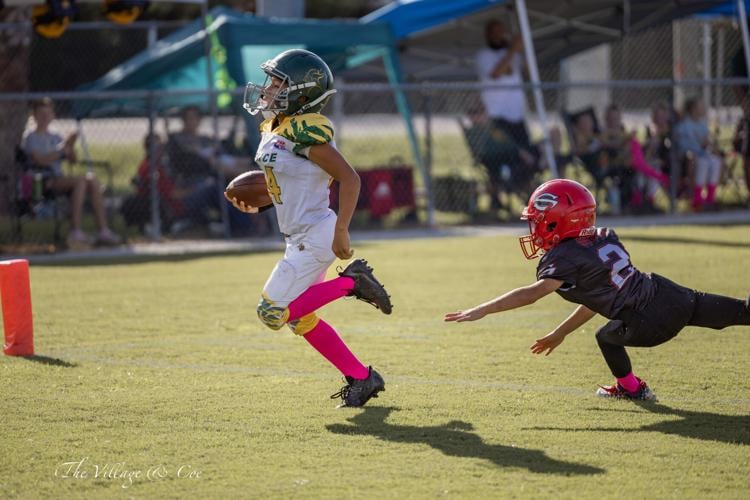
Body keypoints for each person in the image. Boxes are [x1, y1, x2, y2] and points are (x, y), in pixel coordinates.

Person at [445, 179, 750, 401]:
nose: (535, 229)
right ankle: (629, 387)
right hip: (669, 294)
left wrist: (482, 309)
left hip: (647, 322)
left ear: (560, 221)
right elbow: (594, 299)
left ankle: (632, 389)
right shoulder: (604, 237)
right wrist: (561, 332)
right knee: (736, 312)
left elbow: (533, 293)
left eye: (541, 222)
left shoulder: (564, 257)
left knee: (606, 336)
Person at [226, 49, 392, 407]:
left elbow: (349, 178)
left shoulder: (306, 129)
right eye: (270, 81)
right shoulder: (276, 127)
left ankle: (352, 282)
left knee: (271, 312)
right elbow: (289, 183)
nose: (268, 89)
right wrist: (261, 200)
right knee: (299, 319)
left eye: (277, 83)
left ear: (300, 92)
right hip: (301, 235)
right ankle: (362, 378)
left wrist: (342, 230)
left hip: (317, 234)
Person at [22, 97, 120, 247]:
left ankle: (103, 231)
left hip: (60, 179)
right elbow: (40, 160)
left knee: (91, 180)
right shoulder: (31, 137)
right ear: (34, 116)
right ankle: (76, 231)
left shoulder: (56, 137)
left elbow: (72, 160)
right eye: (41, 114)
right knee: (80, 181)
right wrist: (61, 150)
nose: (45, 118)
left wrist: (70, 145)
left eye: (48, 114)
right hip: (41, 181)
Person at [168, 105, 254, 235]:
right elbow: (193, 161)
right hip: (195, 185)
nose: (192, 121)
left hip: (216, 175)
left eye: (195, 118)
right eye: (189, 118)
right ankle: (241, 227)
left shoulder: (205, 139)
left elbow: (221, 154)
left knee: (238, 176)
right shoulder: (178, 140)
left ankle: (251, 170)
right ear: (183, 120)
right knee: (222, 190)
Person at [476, 20, 531, 152]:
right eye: (496, 32)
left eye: (502, 31)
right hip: (497, 115)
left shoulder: (514, 54)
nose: (501, 34)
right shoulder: (484, 55)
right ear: (488, 35)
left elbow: (529, 73)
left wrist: (524, 49)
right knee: (508, 152)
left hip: (517, 114)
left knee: (526, 151)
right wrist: (512, 50)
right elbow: (497, 74)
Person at [674, 98, 723, 211]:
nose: (703, 109)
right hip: (687, 156)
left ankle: (710, 199)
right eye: (700, 107)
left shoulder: (702, 125)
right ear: (692, 109)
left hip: (701, 154)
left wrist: (712, 147)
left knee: (715, 161)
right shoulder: (683, 124)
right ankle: (697, 200)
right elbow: (680, 144)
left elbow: (705, 143)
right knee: (703, 163)